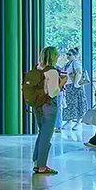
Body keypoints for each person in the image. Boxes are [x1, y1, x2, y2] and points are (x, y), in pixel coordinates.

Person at [32, 46, 64, 175]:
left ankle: (37, 162)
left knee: (42, 133)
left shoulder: (37, 68)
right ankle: (42, 166)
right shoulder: (52, 71)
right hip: (49, 105)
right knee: (46, 135)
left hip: (37, 104)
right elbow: (52, 92)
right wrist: (62, 83)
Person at [58, 47, 85, 137]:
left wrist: (76, 83)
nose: (68, 56)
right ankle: (69, 120)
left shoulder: (76, 63)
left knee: (77, 103)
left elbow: (79, 72)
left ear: (75, 55)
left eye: (70, 54)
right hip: (69, 86)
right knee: (69, 104)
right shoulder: (68, 63)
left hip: (75, 86)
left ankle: (78, 122)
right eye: (67, 54)